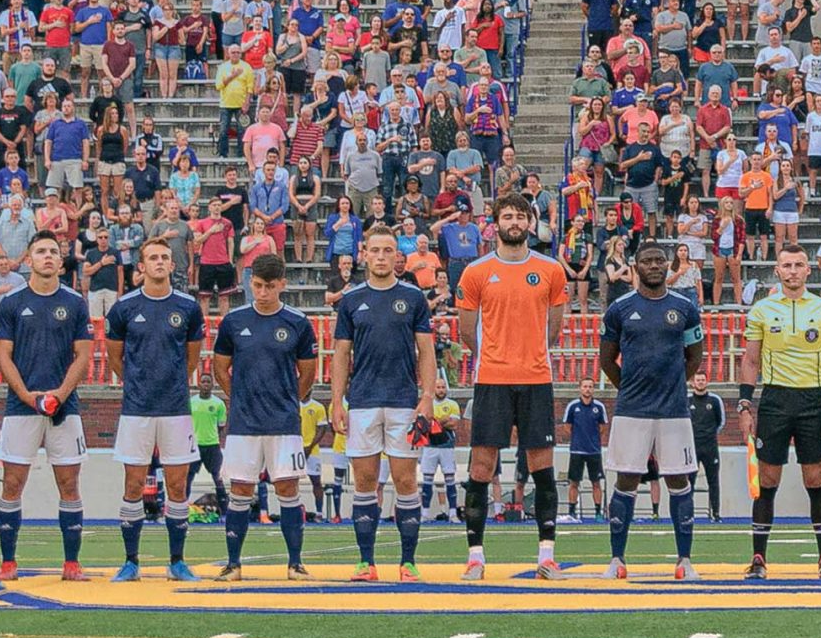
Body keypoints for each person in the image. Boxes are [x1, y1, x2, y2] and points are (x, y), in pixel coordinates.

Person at [456, 194, 568, 580]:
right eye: (508, 216)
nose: (515, 222)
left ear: (531, 222)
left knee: (542, 467)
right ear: (496, 223)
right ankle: (475, 556)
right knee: (482, 466)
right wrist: (497, 354)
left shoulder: (551, 270)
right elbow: (466, 330)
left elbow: (554, 326)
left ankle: (546, 556)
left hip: (537, 378)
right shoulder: (476, 271)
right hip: (491, 379)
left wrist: (530, 352)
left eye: (521, 216)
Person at [328, 227, 437, 582]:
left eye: (387, 250)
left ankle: (408, 562)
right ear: (364, 254)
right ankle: (366, 562)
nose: (380, 257)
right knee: (364, 480)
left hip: (404, 402)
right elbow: (341, 354)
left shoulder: (414, 297)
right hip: (361, 403)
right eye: (374, 250)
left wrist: (426, 398)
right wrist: (336, 401)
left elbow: (427, 351)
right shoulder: (350, 299)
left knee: (406, 480)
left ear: (397, 256)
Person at [598, 242, 707, 579]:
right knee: (626, 478)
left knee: (678, 478)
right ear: (636, 266)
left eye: (660, 259)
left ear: (667, 264)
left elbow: (695, 357)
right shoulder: (619, 308)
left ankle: (684, 560)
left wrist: (673, 384)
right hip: (632, 410)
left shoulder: (685, 307)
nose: (655, 265)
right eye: (647, 260)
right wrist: (631, 388)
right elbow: (606, 360)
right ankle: (617, 559)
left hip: (674, 410)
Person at [738, 244, 821, 579]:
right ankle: (758, 558)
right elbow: (751, 359)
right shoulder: (762, 310)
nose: (793, 271)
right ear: (778, 270)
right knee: (768, 480)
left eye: (799, 265)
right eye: (787, 265)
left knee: (815, 479)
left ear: (808, 270)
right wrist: (745, 404)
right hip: (774, 401)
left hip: (812, 401)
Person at [209, 255, 320, 581]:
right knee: (240, 490)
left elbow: (308, 374)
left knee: (287, 487)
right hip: (244, 423)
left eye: (269, 287)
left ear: (282, 284)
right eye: (257, 285)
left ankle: (295, 563)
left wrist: (287, 401)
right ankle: (233, 564)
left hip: (283, 422)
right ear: (250, 283)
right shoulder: (233, 322)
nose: (262, 292)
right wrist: (240, 397)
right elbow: (220, 367)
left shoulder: (298, 323)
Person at [0, 232, 92, 581]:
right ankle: (8, 563)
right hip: (21, 408)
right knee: (12, 484)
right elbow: (3, 355)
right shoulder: (11, 302)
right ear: (29, 259)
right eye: (40, 251)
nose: (47, 256)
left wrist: (60, 394)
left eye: (53, 251)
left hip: (66, 407)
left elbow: (84, 355)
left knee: (70, 484)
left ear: (61, 261)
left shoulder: (76, 303)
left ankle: (72, 564)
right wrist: (27, 396)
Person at [103, 239, 206, 582]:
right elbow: (115, 357)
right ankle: (131, 561)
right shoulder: (124, 308)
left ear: (172, 266)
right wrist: (137, 383)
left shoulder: (188, 307)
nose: (159, 262)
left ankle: (177, 561)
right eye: (153, 258)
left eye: (164, 257)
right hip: (137, 409)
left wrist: (173, 382)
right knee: (133, 484)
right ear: (141, 267)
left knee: (178, 487)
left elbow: (192, 357)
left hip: (176, 408)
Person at [562, 381, 608, 523]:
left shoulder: (599, 407)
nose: (587, 389)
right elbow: (567, 426)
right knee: (574, 482)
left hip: (594, 451)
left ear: (593, 389)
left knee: (596, 482)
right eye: (585, 387)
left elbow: (602, 427)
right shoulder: (573, 406)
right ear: (580, 388)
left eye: (590, 387)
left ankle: (598, 513)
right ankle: (571, 512)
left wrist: (592, 440)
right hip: (577, 451)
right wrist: (578, 439)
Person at [688, 373, 727, 523]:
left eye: (703, 380)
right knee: (689, 482)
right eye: (698, 380)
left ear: (707, 382)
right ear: (693, 383)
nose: (700, 382)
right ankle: (688, 514)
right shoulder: (687, 401)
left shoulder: (715, 400)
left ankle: (716, 514)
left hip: (710, 447)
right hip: (692, 447)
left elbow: (721, 421)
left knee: (713, 481)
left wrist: (709, 434)